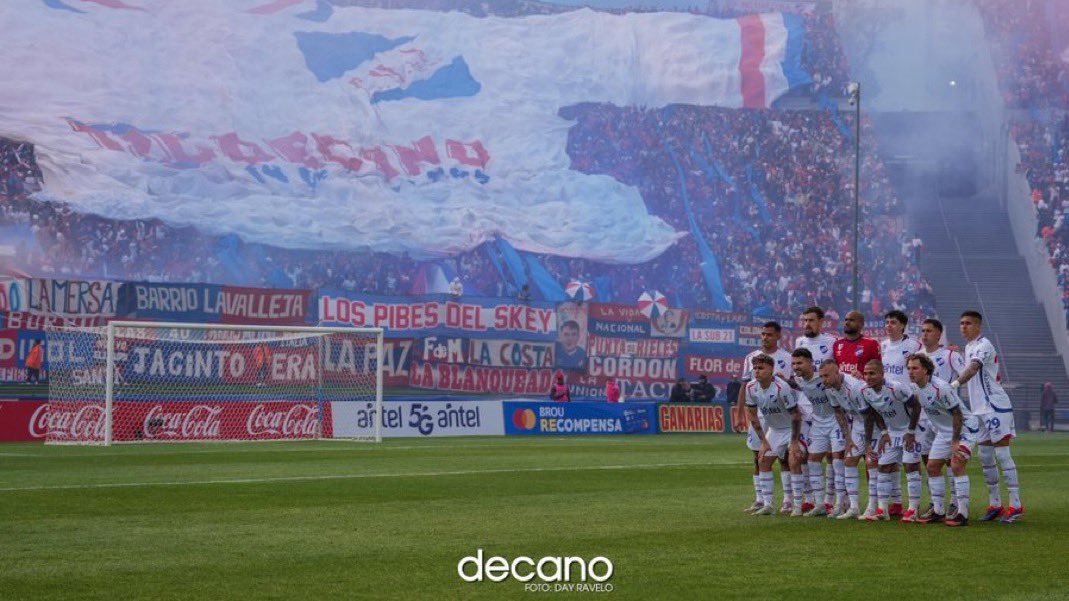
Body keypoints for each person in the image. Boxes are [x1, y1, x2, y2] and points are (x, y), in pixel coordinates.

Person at [953, 310, 1024, 524]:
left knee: (1002, 454)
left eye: (968, 323)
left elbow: (973, 369)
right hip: (978, 410)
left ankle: (1016, 505)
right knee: (985, 456)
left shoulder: (984, 345)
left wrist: (954, 384)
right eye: (961, 323)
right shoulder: (968, 347)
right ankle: (995, 504)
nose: (963, 327)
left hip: (995, 406)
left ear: (978, 326)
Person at [907, 354, 980, 526]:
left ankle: (962, 514)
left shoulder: (941, 388)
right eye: (909, 368)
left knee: (957, 464)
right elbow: (917, 408)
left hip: (964, 428)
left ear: (926, 370)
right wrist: (910, 431)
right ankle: (938, 511)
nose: (910, 372)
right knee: (932, 467)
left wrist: (955, 442)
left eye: (915, 368)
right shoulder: (915, 388)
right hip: (944, 431)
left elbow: (957, 414)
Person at [738, 321, 799, 514]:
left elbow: (795, 385)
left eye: (769, 334)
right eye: (763, 334)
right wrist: (739, 415)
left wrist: (782, 379)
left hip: (782, 412)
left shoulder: (787, 358)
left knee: (785, 458)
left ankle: (788, 500)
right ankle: (761, 499)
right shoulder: (751, 357)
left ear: (778, 336)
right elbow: (744, 386)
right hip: (761, 413)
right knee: (758, 455)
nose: (765, 337)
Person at [789, 348, 850, 517]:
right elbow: (791, 384)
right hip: (818, 422)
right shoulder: (798, 380)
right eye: (793, 363)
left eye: (800, 363)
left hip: (836, 420)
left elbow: (841, 378)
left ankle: (840, 504)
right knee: (812, 460)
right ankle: (820, 504)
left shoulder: (822, 376)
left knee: (837, 461)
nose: (796, 366)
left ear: (810, 362)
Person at [745, 354, 807, 516]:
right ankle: (768, 504)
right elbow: (752, 415)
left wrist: (794, 442)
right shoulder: (750, 387)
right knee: (763, 460)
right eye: (755, 368)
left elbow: (796, 415)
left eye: (761, 368)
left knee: (793, 460)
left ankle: (797, 505)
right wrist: (764, 442)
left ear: (771, 370)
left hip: (792, 428)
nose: (757, 371)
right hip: (774, 430)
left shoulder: (781, 387)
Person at [860, 359, 921, 521]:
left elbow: (916, 406)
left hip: (911, 429)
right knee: (883, 467)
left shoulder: (896, 388)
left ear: (882, 374)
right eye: (865, 374)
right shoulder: (865, 391)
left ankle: (913, 510)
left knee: (910, 466)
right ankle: (882, 510)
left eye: (872, 373)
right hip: (892, 432)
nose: (868, 377)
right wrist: (884, 432)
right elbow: (874, 413)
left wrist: (911, 431)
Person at [917, 317, 967, 517]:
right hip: (924, 416)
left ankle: (954, 502)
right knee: (928, 460)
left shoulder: (950, 355)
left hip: (946, 416)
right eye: (923, 330)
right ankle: (935, 501)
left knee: (950, 461)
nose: (925, 334)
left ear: (939, 334)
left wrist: (951, 389)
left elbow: (964, 375)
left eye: (929, 331)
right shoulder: (918, 356)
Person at [794, 305, 841, 511]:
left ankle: (832, 499)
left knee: (833, 456)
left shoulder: (832, 341)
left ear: (821, 322)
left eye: (811, 320)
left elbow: (837, 370)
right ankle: (811, 498)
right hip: (807, 406)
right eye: (805, 320)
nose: (807, 324)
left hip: (830, 405)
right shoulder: (799, 342)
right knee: (807, 455)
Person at [880, 310, 922, 516]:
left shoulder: (914, 346)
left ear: (903, 326)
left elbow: (926, 364)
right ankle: (895, 503)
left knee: (911, 460)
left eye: (893, 322)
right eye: (887, 322)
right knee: (890, 459)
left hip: (910, 405)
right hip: (890, 408)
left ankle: (915, 507)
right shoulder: (883, 346)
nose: (889, 325)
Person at [819, 360, 868, 519]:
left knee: (874, 464)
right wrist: (848, 439)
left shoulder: (855, 387)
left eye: (826, 376)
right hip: (858, 424)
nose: (823, 380)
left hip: (873, 423)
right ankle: (853, 507)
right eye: (821, 376)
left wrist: (869, 442)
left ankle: (876, 507)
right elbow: (838, 412)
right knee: (849, 461)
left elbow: (870, 413)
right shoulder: (829, 389)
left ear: (837, 373)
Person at [833, 311, 881, 378]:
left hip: (863, 384)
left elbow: (878, 370)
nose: (847, 323)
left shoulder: (872, 344)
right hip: (842, 384)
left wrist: (863, 376)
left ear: (861, 324)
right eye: (846, 320)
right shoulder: (837, 344)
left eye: (851, 320)